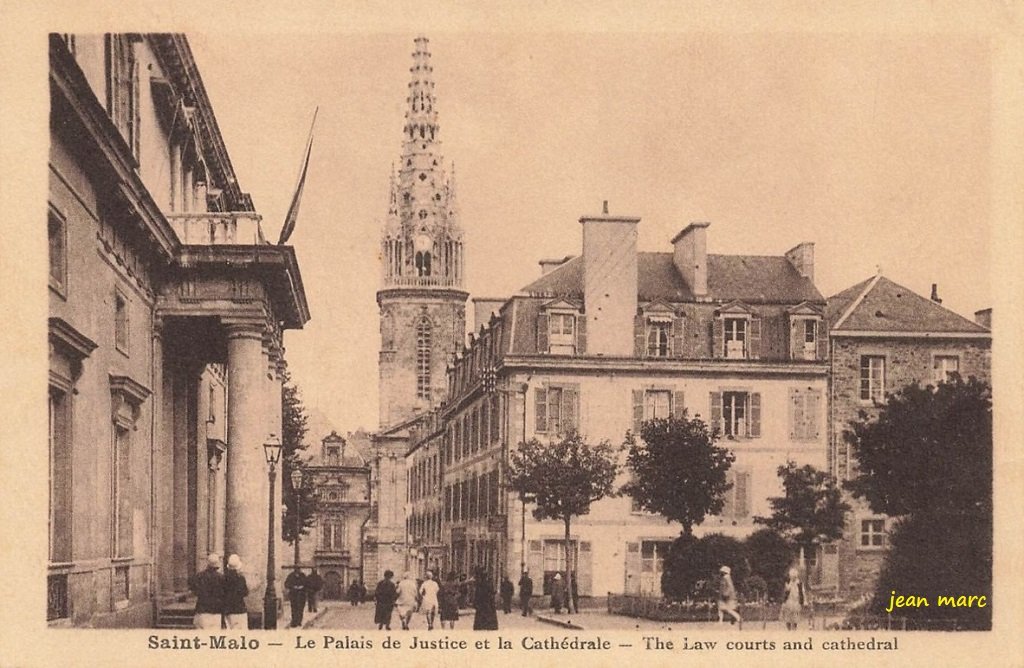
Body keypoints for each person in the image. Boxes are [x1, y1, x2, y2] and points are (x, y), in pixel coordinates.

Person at [189, 553, 224, 629]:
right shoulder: (221, 578)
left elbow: (194, 590)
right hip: (216, 611)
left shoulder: (199, 576)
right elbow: (223, 594)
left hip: (202, 610)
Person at [222, 554, 249, 630]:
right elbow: (245, 592)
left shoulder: (224, 578)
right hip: (240, 609)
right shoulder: (240, 578)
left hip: (228, 609)